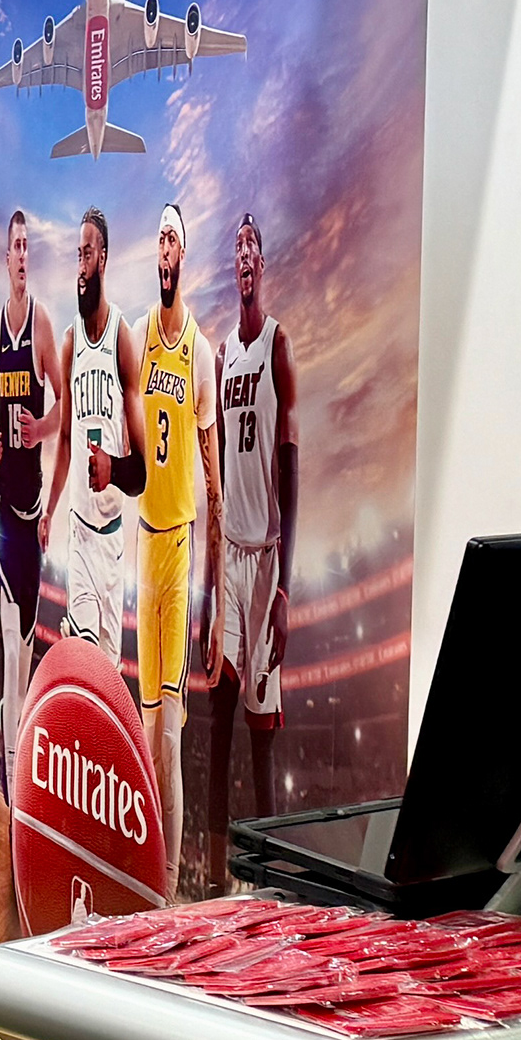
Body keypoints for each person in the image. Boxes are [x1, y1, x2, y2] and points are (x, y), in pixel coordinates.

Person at [204, 211, 301, 892]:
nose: (243, 255)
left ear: (261, 266)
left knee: (261, 731)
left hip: (265, 558)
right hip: (229, 556)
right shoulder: (221, 358)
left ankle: (268, 881)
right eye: (236, 245)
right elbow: (214, 486)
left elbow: (290, 468)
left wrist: (286, 587)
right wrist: (211, 592)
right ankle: (213, 876)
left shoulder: (276, 344)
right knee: (218, 716)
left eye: (252, 246)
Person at [134, 203, 223, 889]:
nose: (164, 246)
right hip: (141, 545)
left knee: (170, 733)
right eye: (159, 236)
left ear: (183, 254)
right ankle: (141, 872)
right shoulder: (137, 337)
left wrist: (215, 605)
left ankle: (165, 885)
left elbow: (216, 492)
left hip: (179, 552)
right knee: (145, 731)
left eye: (172, 237)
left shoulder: (201, 353)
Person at [50, 207, 145, 695]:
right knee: (85, 661)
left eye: (87, 254)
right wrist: (49, 509)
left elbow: (140, 475)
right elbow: (65, 440)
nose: (81, 266)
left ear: (103, 259)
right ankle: (76, 630)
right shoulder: (69, 343)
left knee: (107, 683)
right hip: (80, 534)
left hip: (112, 544)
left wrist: (112, 468)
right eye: (77, 255)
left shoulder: (121, 340)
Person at [0, 208, 63, 769]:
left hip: (32, 505)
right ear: (4, 257)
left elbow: (65, 405)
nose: (22, 255)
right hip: (1, 504)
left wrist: (41, 429)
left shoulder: (42, 325)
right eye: (15, 246)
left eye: (27, 246)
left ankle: (15, 740)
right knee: (10, 645)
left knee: (26, 650)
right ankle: (12, 771)